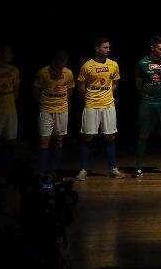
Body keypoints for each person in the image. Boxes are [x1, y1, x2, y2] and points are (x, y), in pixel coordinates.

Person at [76, 38, 122, 179]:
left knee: (110, 136)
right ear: (97, 48)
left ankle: (113, 168)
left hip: (108, 105)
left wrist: (107, 94)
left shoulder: (113, 64)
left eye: (109, 47)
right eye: (105, 47)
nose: (108, 49)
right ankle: (83, 169)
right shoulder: (87, 66)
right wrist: (92, 96)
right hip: (91, 105)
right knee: (88, 137)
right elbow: (81, 86)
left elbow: (115, 82)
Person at [134, 36, 161, 178]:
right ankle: (139, 167)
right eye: (160, 49)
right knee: (143, 135)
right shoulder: (142, 63)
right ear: (153, 48)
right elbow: (139, 84)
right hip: (147, 102)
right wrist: (148, 95)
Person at [32, 51, 74, 176]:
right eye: (60, 60)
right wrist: (45, 102)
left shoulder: (68, 73)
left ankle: (55, 170)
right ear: (54, 60)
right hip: (46, 110)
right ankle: (42, 171)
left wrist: (61, 103)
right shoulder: (43, 72)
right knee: (44, 140)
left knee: (59, 139)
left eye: (64, 61)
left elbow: (70, 91)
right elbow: (36, 91)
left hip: (62, 110)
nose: (62, 63)